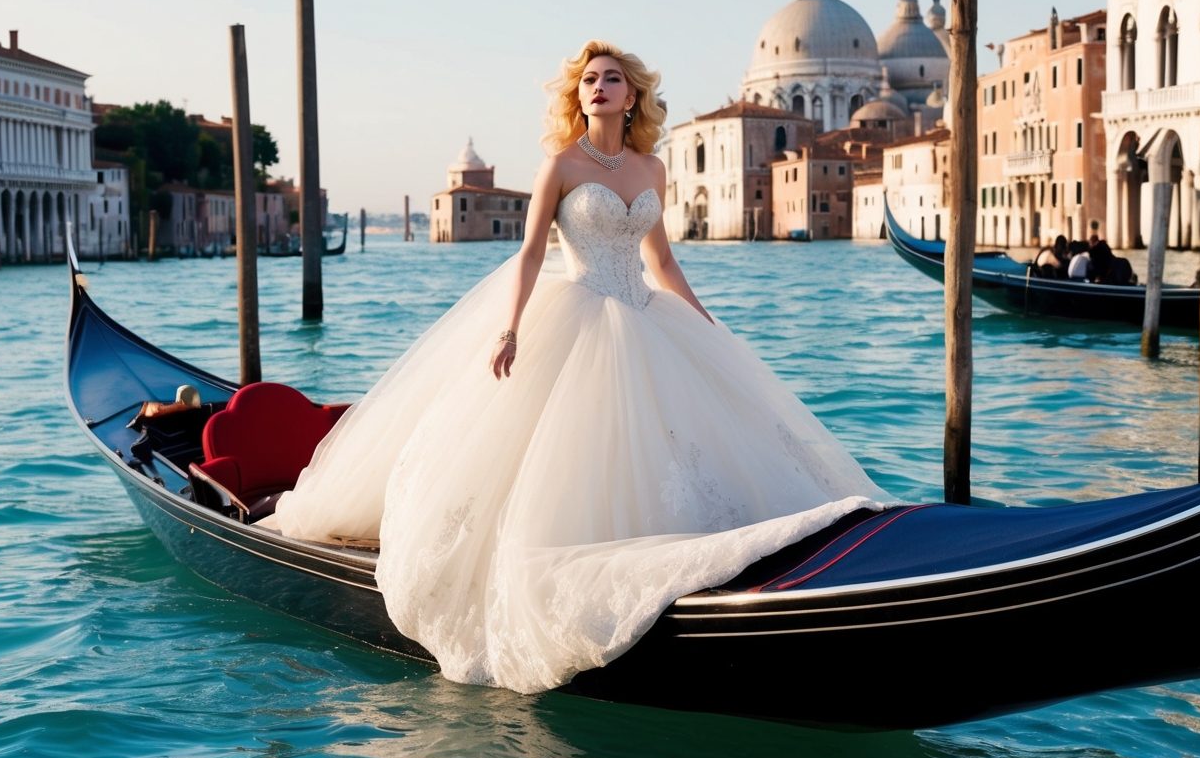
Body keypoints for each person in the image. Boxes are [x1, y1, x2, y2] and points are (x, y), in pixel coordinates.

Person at [271, 40, 887, 693]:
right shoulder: (561, 164)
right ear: (580, 95)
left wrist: (708, 325)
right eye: (588, 79)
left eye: (611, 79)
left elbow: (663, 261)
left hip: (647, 312)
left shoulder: (651, 168)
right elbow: (533, 252)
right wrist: (510, 329)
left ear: (632, 95)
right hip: (575, 310)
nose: (597, 87)